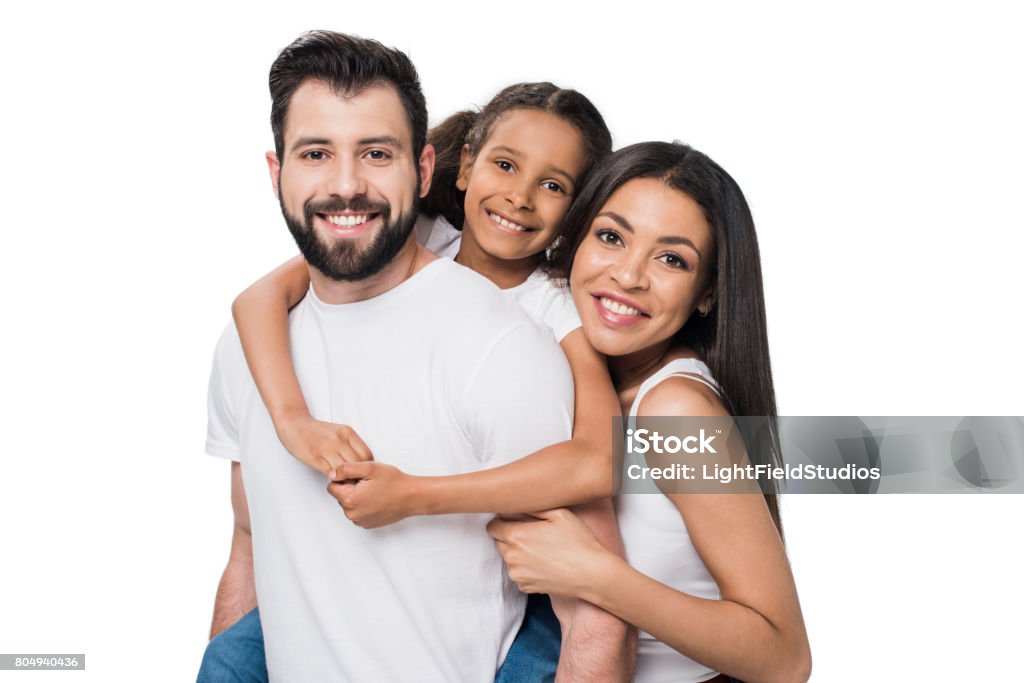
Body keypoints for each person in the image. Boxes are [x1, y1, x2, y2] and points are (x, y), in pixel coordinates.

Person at [200, 30, 628, 682]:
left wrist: (417, 495)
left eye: (376, 153)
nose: (346, 185)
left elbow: (594, 579)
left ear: (421, 169)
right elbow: (251, 544)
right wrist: (291, 420)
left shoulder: (528, 332)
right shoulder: (258, 338)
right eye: (316, 152)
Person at [487, 142, 813, 682]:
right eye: (611, 237)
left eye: (671, 259)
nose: (629, 276)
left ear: (706, 292)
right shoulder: (569, 376)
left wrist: (594, 574)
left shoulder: (675, 412)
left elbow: (785, 658)